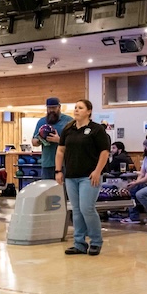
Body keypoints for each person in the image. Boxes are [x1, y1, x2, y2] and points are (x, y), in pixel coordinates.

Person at [55, 99, 110, 255]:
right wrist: (58, 171)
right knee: (77, 211)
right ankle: (79, 243)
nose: (76, 110)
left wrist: (98, 171)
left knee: (87, 208)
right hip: (71, 176)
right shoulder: (68, 129)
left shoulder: (96, 130)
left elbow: (104, 152)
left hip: (89, 176)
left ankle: (96, 241)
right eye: (75, 107)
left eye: (80, 108)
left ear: (89, 111)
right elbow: (60, 151)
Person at [32, 97, 73, 180]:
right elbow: (34, 142)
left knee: (63, 191)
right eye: (49, 108)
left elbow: (74, 143)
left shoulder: (68, 121)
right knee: (47, 191)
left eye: (54, 108)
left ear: (59, 107)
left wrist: (59, 140)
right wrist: (41, 139)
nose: (51, 110)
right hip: (47, 164)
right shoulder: (41, 122)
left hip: (64, 164)